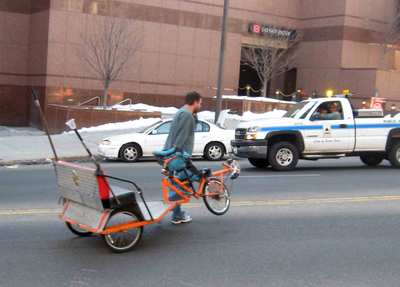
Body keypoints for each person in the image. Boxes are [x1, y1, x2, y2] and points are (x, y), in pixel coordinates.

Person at [164, 91, 203, 224]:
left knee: (178, 182)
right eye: (200, 102)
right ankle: (172, 204)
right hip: (179, 155)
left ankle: (177, 214)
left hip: (174, 153)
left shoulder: (182, 112)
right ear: (196, 101)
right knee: (190, 178)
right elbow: (182, 135)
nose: (201, 105)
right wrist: (179, 153)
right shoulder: (187, 115)